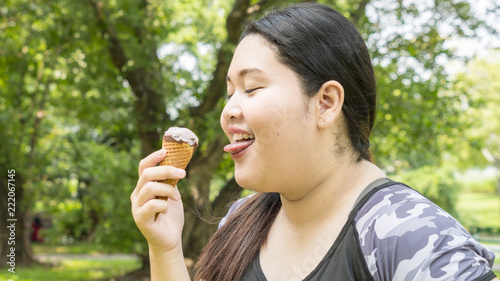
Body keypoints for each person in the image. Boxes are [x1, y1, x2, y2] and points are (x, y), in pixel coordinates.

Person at [131, 3, 497, 281]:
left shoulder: (413, 238)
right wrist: (165, 248)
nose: (228, 112)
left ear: (326, 103)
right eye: (229, 94)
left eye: (252, 88)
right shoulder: (238, 222)